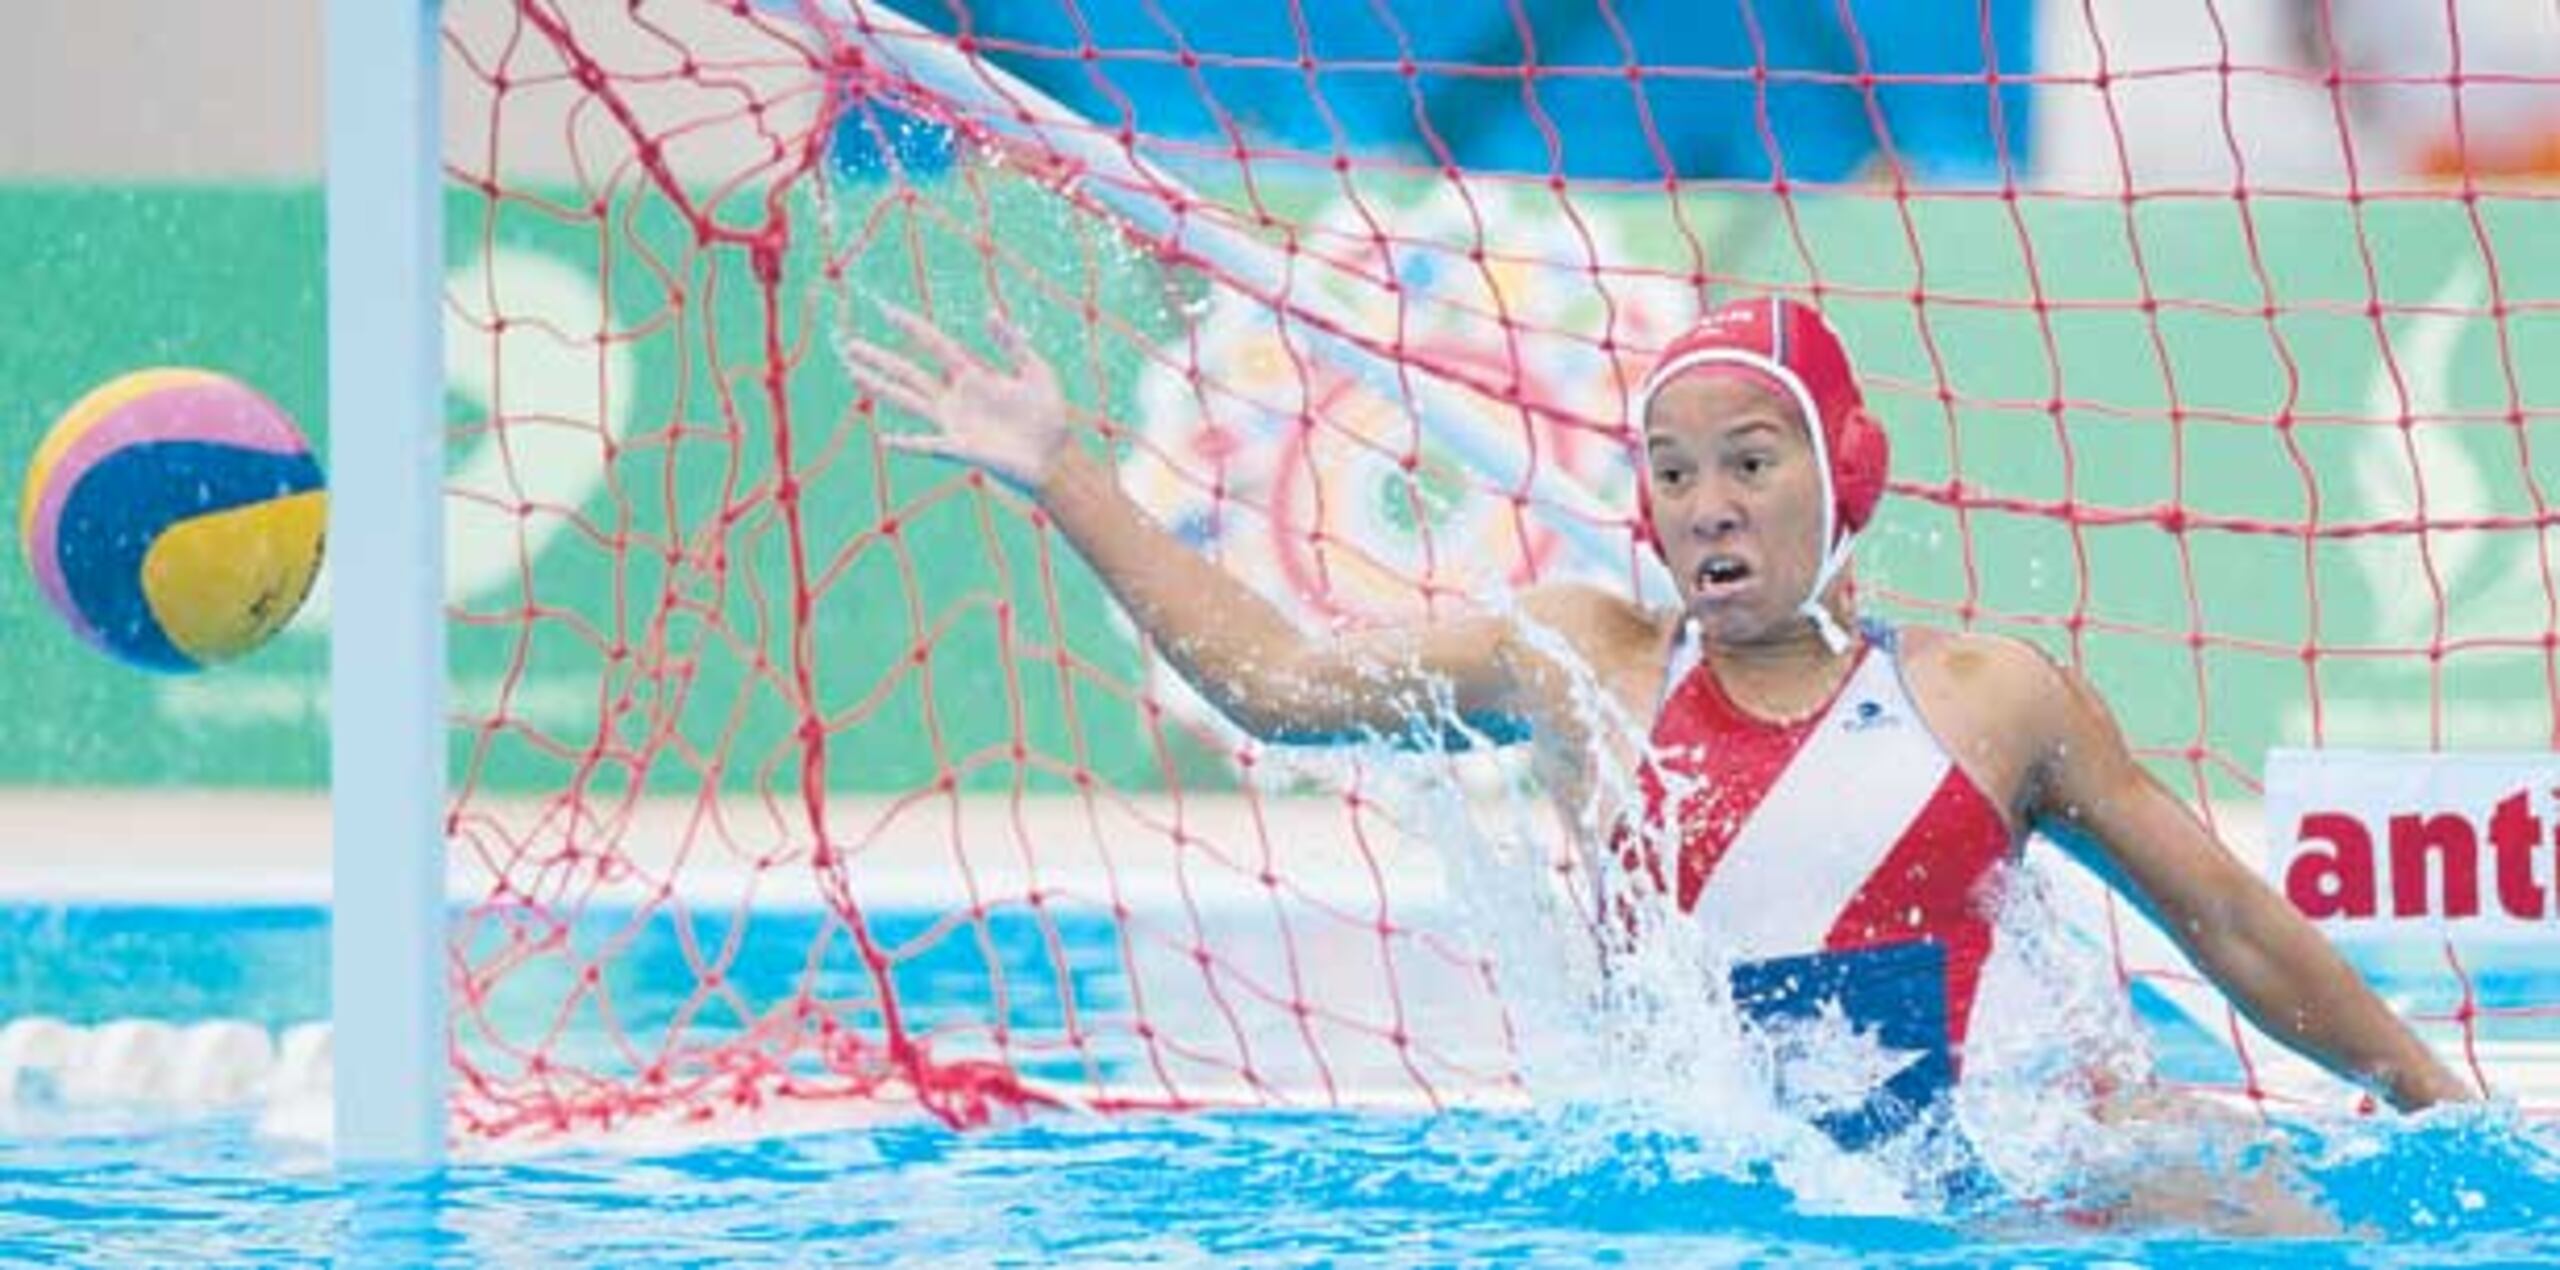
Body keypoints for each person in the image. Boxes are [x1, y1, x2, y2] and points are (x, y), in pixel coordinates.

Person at [845, 293, 2474, 1218]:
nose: (1706, 501)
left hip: (2015, 1183)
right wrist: (1065, 474)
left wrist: (2432, 1101)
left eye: (1749, 461)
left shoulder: (1992, 698)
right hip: (1724, 1201)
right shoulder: (1580, 672)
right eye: (1673, 470)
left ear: (1847, 469)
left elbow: (2233, 920)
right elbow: (1273, 680)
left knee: (2268, 1210)